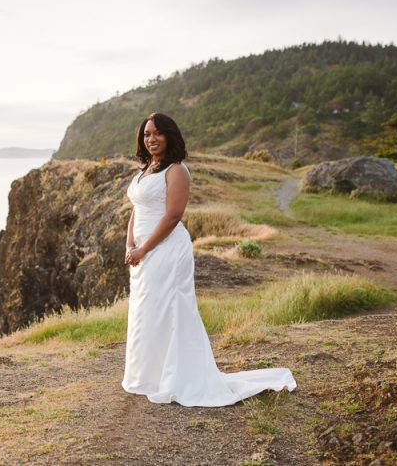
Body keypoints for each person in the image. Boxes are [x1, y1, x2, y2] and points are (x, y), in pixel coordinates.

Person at [120, 112, 297, 406]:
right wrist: (130, 244)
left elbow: (173, 216)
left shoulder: (177, 171)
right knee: (146, 310)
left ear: (169, 136)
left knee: (170, 309)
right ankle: (148, 375)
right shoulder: (144, 171)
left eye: (157, 133)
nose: (151, 139)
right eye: (147, 134)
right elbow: (135, 210)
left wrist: (144, 248)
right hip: (141, 251)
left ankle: (177, 378)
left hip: (165, 250)